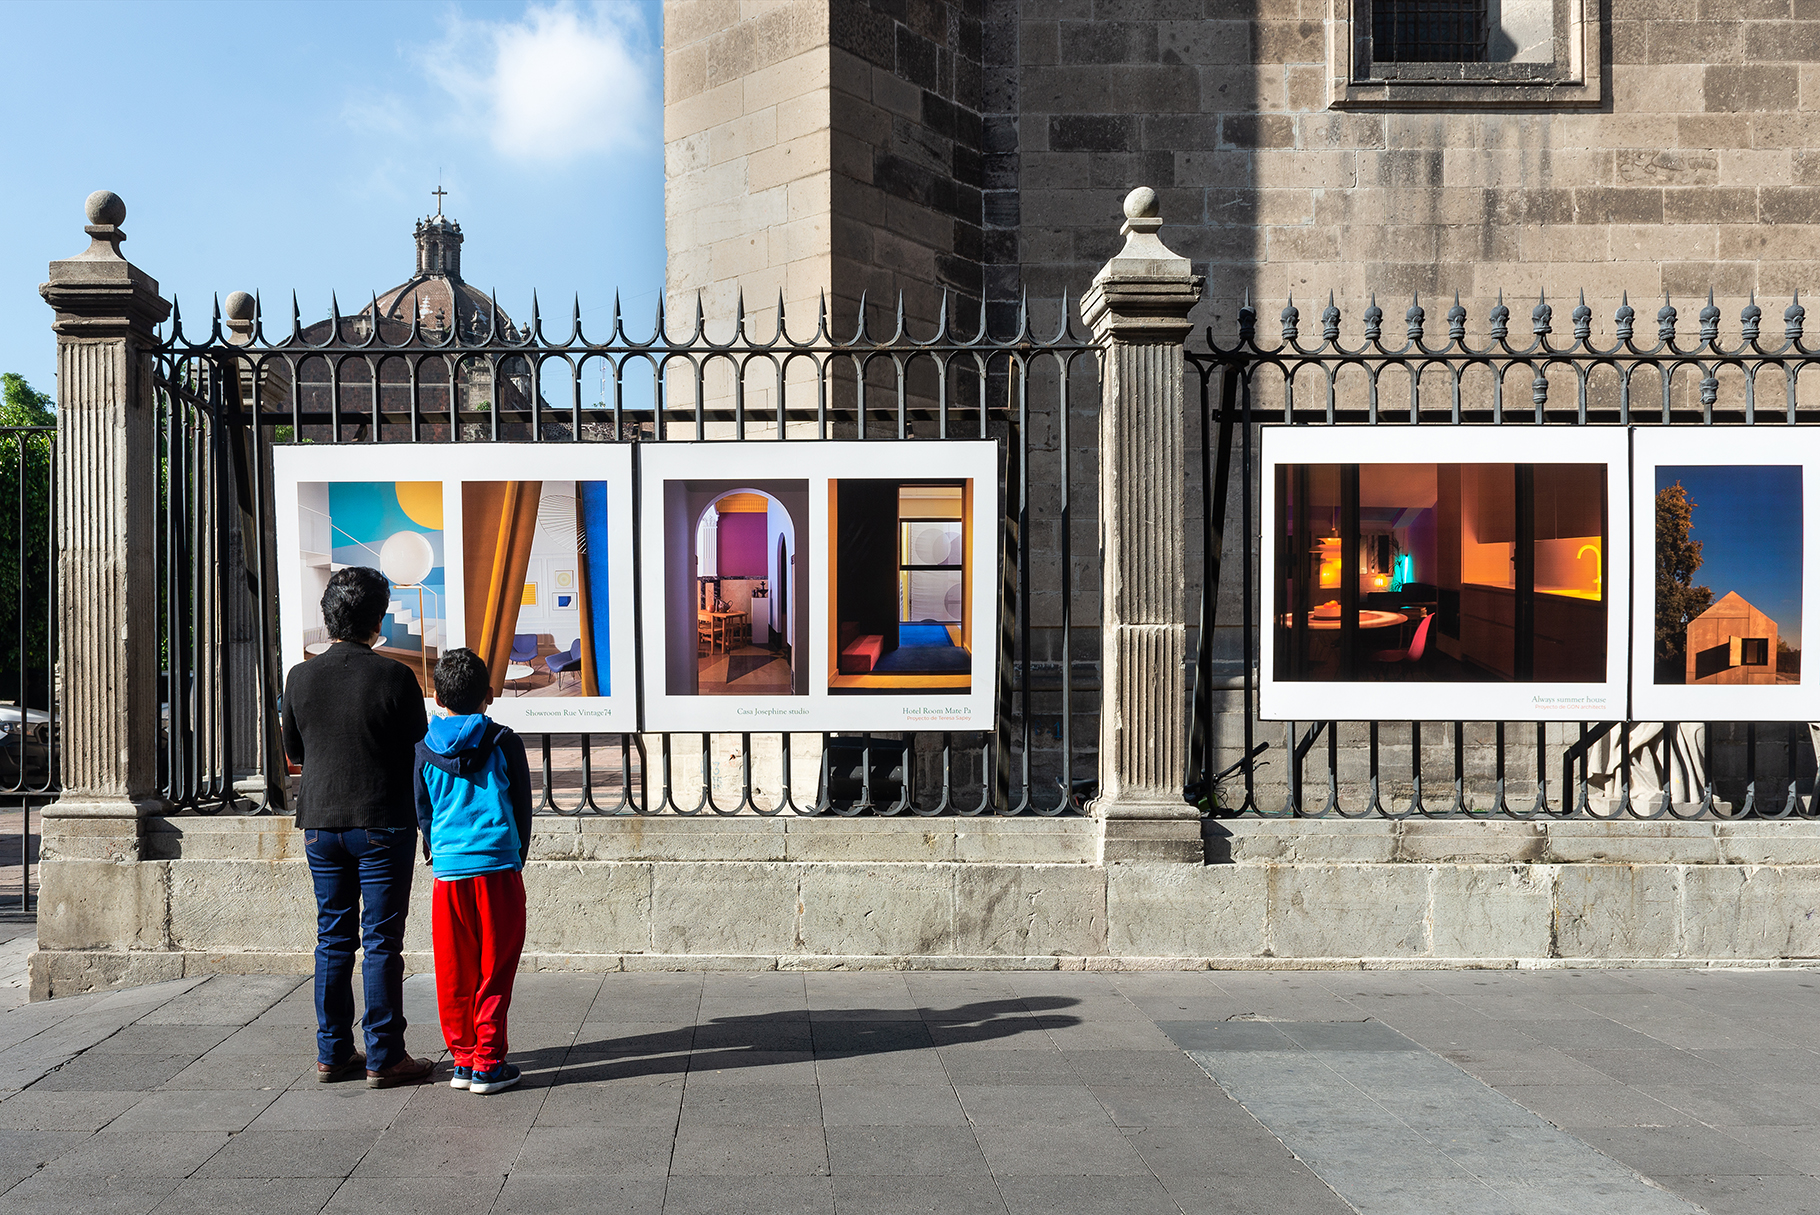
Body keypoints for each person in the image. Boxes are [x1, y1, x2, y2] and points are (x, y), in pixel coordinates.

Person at [282, 566, 435, 1088]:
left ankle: (332, 1052)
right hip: (381, 821)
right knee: (381, 941)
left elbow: (296, 751)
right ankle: (385, 1054)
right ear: (377, 617)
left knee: (333, 937)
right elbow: (419, 747)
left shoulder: (300, 677)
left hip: (321, 822)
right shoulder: (394, 676)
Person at [413, 647, 533, 1095]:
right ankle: (488, 1062)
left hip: (448, 873)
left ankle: (463, 1059)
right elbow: (522, 806)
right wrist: (516, 853)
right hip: (498, 866)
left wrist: (437, 853)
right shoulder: (504, 741)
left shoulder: (424, 750)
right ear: (488, 695)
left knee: (454, 968)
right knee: (495, 966)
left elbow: (423, 813)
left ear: (437, 698)